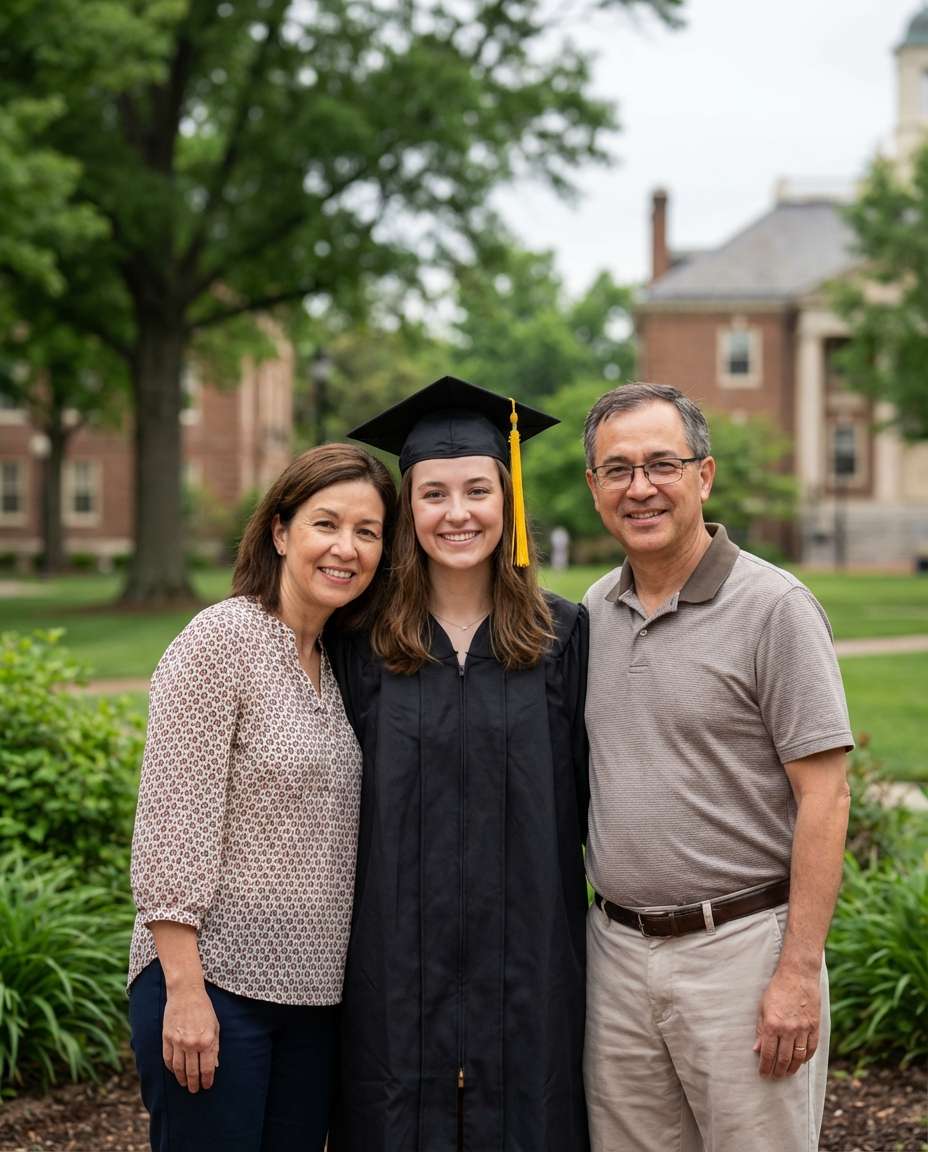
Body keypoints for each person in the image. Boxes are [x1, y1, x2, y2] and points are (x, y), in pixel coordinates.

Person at [580, 383, 853, 1152]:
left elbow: (825, 797)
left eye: (662, 464)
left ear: (704, 476)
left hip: (739, 952)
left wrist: (798, 973)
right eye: (618, 469)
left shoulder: (775, 608)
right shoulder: (592, 614)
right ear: (594, 489)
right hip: (618, 957)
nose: (641, 487)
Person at [328, 376, 590, 1152]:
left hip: (531, 962)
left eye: (478, 489)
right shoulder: (360, 642)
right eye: (433, 494)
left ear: (507, 500)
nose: (458, 513)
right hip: (392, 961)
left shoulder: (563, 638)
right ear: (408, 510)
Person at [127, 444, 396, 1152]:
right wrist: (185, 991)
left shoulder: (343, 663)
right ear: (280, 532)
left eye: (367, 532)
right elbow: (171, 823)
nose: (346, 548)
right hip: (216, 986)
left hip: (315, 1001)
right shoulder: (222, 641)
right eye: (326, 524)